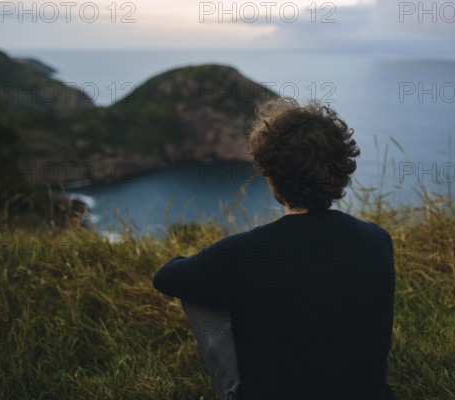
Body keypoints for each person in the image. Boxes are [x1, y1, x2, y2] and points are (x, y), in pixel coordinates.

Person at [153, 97, 396, 400]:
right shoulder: (378, 239)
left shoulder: (244, 253)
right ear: (339, 169)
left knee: (198, 292)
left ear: (271, 175)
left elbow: (166, 277)